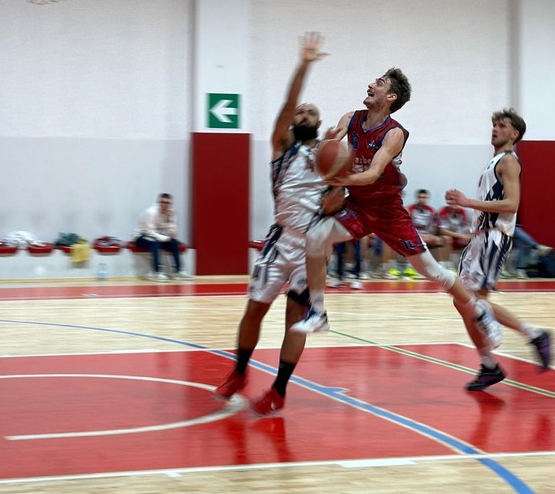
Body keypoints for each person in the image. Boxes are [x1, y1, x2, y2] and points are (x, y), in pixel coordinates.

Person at [291, 65, 503, 359]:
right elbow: (330, 145)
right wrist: (325, 147)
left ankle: (480, 312)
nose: (370, 85)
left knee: (434, 272)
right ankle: (317, 312)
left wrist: (340, 179)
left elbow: (373, 173)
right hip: (359, 206)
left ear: (390, 96)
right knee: (316, 236)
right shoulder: (350, 118)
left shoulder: (394, 134)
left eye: (378, 83)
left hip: (388, 211)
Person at [214, 33, 342, 416]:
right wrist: (303, 66)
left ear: (319, 123)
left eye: (310, 113)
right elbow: (287, 106)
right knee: (254, 308)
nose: (302, 115)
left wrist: (339, 191)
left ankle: (279, 390)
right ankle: (239, 372)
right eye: (299, 113)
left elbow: (338, 202)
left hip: (313, 247)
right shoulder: (281, 147)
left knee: (295, 320)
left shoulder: (330, 157)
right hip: (280, 238)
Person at [445, 108, 551, 390]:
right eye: (494, 124)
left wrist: (467, 202)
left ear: (514, 134)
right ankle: (489, 364)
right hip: (479, 237)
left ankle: (533, 335)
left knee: (474, 299)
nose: (495, 129)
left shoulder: (508, 161)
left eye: (501, 125)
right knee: (462, 301)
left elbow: (512, 204)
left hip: (494, 237)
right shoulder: (493, 162)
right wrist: (469, 229)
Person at [133, 193, 189, 281]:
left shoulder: (171, 213)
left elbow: (172, 232)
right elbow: (149, 232)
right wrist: (165, 238)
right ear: (159, 202)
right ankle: (157, 273)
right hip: (141, 236)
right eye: (163, 202)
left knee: (174, 242)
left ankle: (179, 271)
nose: (165, 205)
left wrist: (170, 221)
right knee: (155, 244)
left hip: (158, 236)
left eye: (167, 203)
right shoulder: (151, 212)